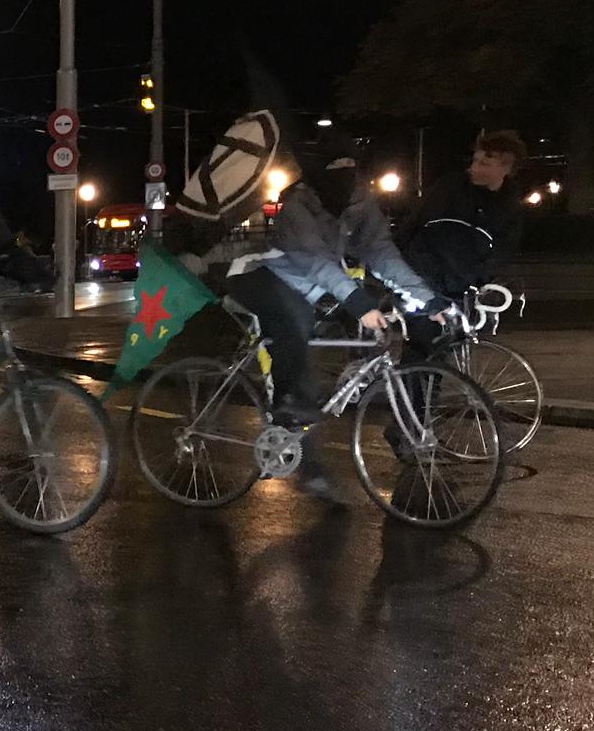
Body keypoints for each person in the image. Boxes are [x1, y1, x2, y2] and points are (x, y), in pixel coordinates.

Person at [225, 135, 453, 494]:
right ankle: (288, 411)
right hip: (262, 277)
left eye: (351, 167)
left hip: (313, 287)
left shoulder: (359, 203)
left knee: (351, 336)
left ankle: (312, 433)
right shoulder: (297, 204)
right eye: (335, 167)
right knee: (297, 328)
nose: (345, 175)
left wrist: (427, 299)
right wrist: (359, 305)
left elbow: (381, 253)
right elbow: (316, 261)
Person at [400, 131, 528, 349]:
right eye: (475, 160)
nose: (474, 168)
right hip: (425, 278)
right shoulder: (448, 187)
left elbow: (503, 249)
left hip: (463, 287)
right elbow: (413, 224)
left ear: (506, 167)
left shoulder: (509, 205)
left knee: (448, 347)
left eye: (484, 163)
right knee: (421, 345)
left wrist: (481, 277)